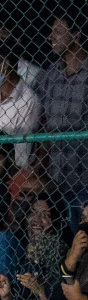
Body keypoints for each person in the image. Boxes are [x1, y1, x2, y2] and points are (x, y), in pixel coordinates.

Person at [38, 15, 88, 202]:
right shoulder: (50, 74)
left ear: (76, 36)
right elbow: (43, 123)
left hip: (84, 177)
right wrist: (40, 169)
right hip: (55, 179)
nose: (50, 37)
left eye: (58, 32)